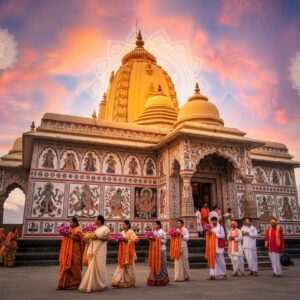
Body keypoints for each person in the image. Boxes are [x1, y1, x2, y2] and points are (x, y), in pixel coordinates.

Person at [79, 215, 110, 293]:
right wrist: (88, 237)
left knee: (99, 266)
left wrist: (97, 237)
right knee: (92, 265)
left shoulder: (105, 228)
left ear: (99, 221)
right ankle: (93, 284)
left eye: (95, 220)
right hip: (93, 248)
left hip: (100, 250)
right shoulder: (95, 229)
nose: (94, 221)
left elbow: (107, 238)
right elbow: (91, 238)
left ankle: (100, 284)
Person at [57, 217, 83, 290]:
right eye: (70, 222)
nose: (70, 224)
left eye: (71, 222)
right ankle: (65, 284)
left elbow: (78, 238)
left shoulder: (78, 229)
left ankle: (76, 283)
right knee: (65, 265)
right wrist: (65, 233)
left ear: (75, 223)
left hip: (75, 250)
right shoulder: (70, 229)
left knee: (75, 267)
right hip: (67, 250)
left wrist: (68, 235)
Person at [112, 220, 138, 288]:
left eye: (124, 225)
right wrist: (118, 239)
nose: (123, 226)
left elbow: (135, 240)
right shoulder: (122, 232)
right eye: (122, 225)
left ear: (128, 225)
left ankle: (129, 281)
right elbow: (120, 240)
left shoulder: (131, 232)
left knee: (129, 267)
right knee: (121, 266)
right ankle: (120, 280)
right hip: (123, 251)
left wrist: (126, 240)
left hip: (129, 251)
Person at [147, 221, 169, 286]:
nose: (154, 226)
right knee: (155, 263)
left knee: (162, 264)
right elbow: (153, 239)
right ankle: (155, 278)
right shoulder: (154, 232)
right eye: (154, 225)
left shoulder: (162, 232)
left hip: (161, 249)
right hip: (155, 249)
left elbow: (165, 241)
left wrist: (157, 239)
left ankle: (163, 278)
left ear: (159, 225)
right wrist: (151, 239)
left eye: (156, 225)